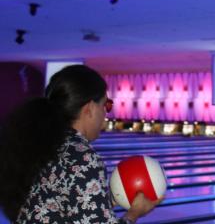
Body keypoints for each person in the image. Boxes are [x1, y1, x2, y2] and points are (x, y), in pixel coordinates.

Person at [0, 65, 160, 224]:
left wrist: (110, 197)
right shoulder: (82, 157)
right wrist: (133, 214)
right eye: (105, 105)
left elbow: (58, 200)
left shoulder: (43, 143)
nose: (105, 113)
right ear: (90, 108)